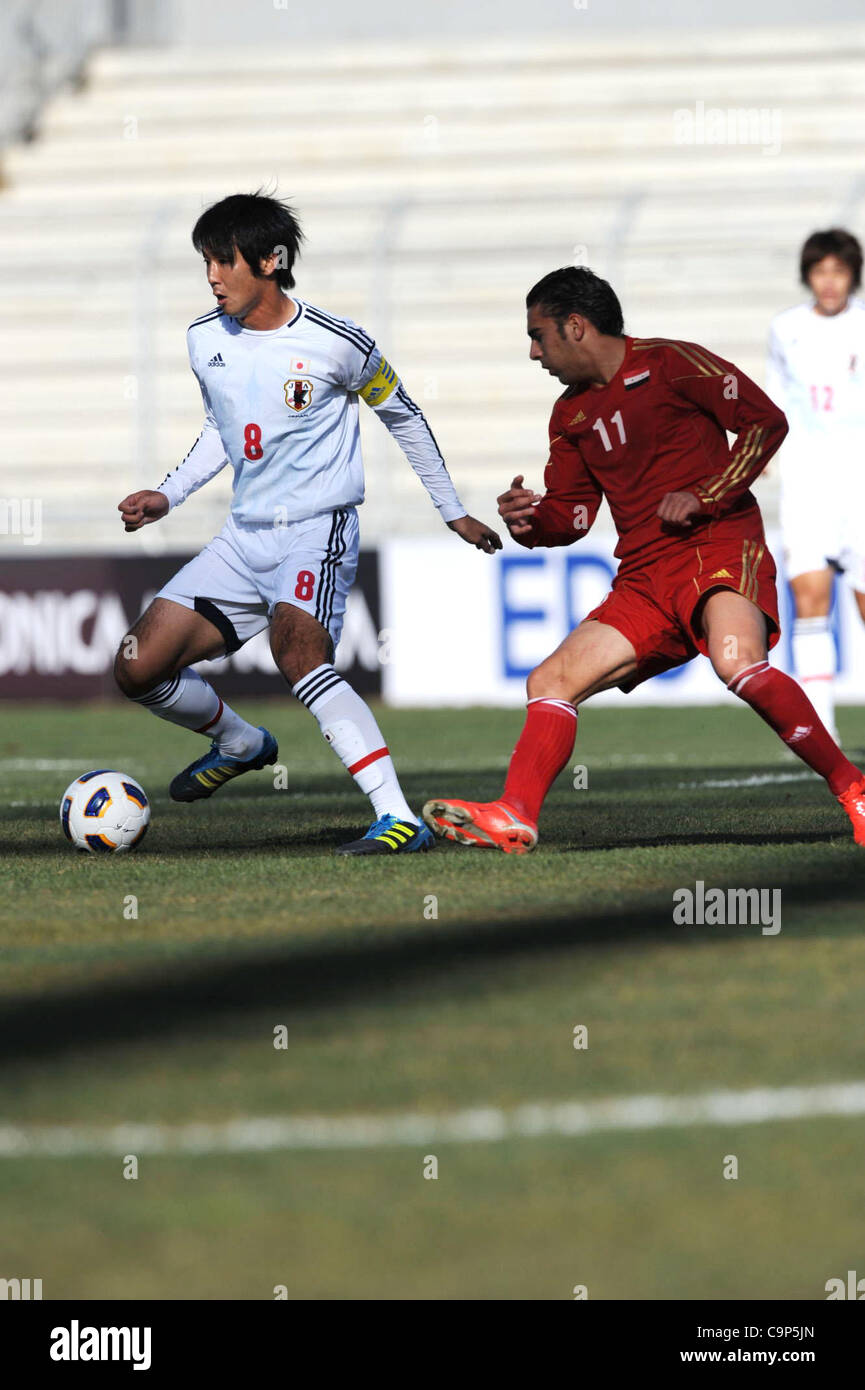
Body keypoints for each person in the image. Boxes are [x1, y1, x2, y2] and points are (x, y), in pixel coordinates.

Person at [422, 265, 865, 853]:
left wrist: (707, 494)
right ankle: (515, 814)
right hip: (645, 576)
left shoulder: (673, 363)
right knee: (550, 680)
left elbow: (764, 424)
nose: (534, 353)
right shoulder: (570, 414)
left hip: (718, 543)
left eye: (539, 335)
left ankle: (853, 788)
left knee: (737, 664)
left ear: (575, 326)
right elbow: (573, 516)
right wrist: (532, 523)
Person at [115, 192, 501, 855]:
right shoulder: (203, 338)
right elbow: (221, 426)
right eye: (205, 262)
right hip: (242, 536)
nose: (211, 277)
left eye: (222, 261)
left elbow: (402, 414)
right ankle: (239, 741)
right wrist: (167, 495)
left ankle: (397, 818)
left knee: (298, 657)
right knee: (135, 667)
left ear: (271, 261)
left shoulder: (336, 342)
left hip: (314, 530)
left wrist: (452, 509)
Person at [767, 228, 865, 744]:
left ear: (853, 275)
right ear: (808, 275)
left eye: (839, 271)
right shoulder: (785, 329)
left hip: (861, 484)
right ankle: (821, 733)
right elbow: (776, 397)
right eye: (821, 271)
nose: (830, 282)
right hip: (806, 483)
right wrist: (763, 454)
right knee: (810, 598)